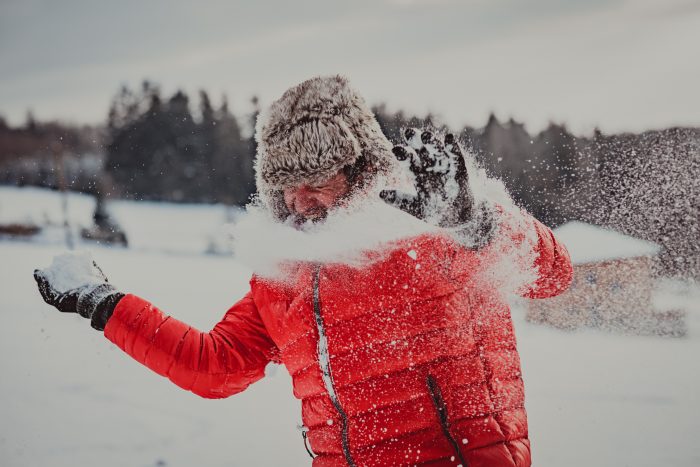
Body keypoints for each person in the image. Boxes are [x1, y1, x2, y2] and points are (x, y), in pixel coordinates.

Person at [34, 75, 573, 467]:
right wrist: (102, 302)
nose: (300, 200)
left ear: (363, 169)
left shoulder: (434, 237)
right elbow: (215, 366)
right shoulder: (285, 280)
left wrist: (477, 221)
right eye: (286, 184)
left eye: (316, 177)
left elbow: (553, 274)